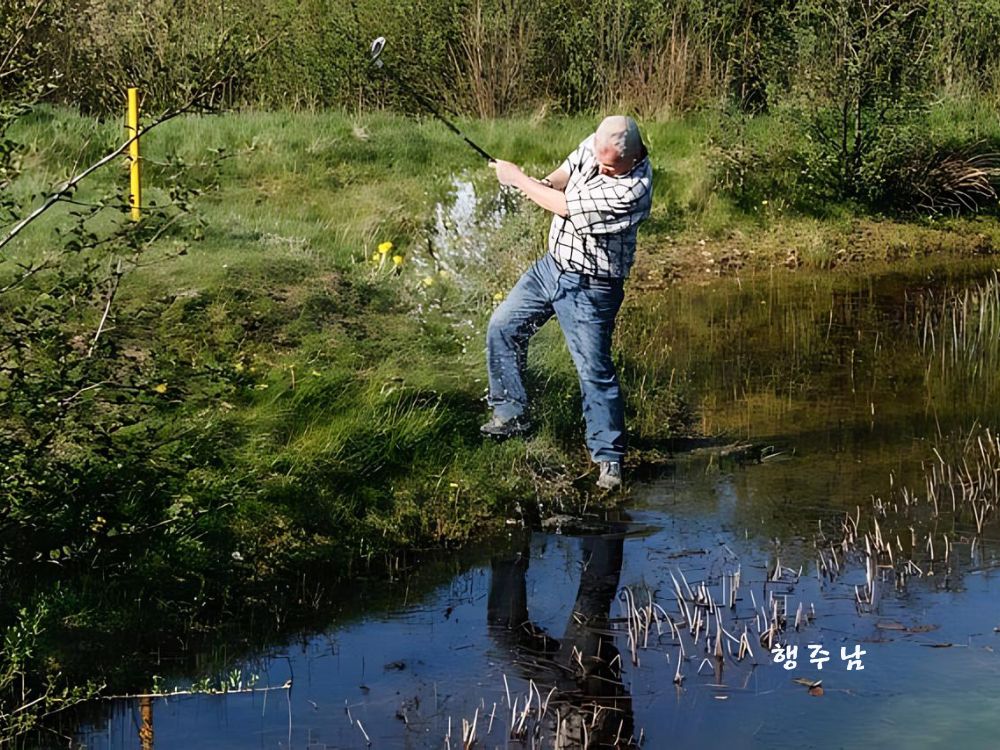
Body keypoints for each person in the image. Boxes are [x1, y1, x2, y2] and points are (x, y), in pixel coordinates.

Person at [482, 115, 653, 491]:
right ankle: (511, 414)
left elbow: (565, 207)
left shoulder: (632, 190)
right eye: (600, 157)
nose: (601, 166)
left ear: (634, 155)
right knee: (503, 328)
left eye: (610, 165)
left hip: (592, 287)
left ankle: (609, 460)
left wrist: (519, 180)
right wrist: (542, 181)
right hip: (551, 268)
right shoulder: (599, 144)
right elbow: (566, 173)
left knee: (593, 370)